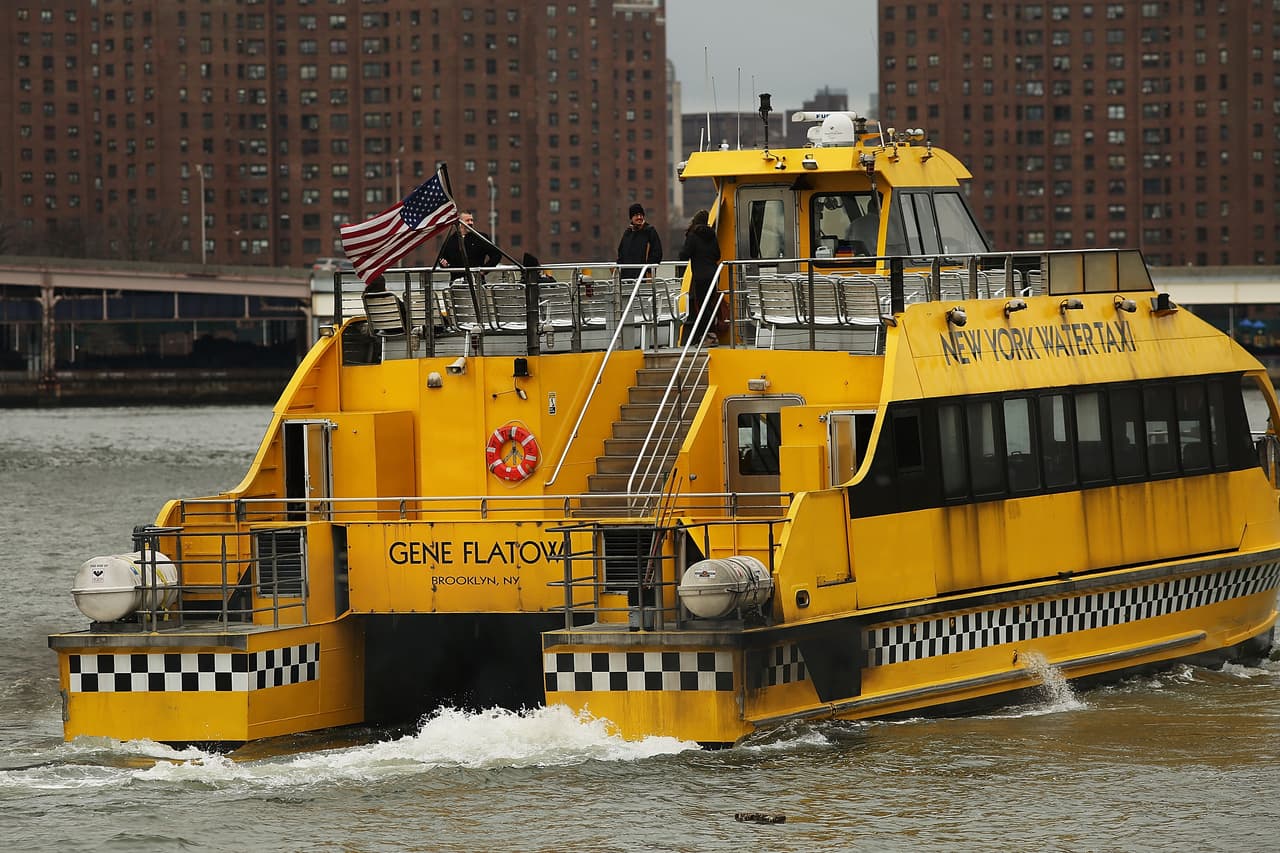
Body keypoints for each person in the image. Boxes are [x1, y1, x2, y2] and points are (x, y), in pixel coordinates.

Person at [677, 209, 721, 346]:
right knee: (709, 306)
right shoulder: (712, 235)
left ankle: (708, 336)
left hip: (700, 276)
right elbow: (717, 255)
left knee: (701, 307)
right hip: (713, 275)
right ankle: (710, 335)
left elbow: (684, 255)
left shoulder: (693, 235)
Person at [437, 211, 500, 280]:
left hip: (477, 284)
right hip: (456, 284)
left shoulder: (480, 237)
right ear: (459, 222)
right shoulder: (450, 240)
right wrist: (444, 264)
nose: (470, 223)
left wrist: (484, 270)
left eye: (471, 220)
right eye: (467, 220)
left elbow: (496, 255)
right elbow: (442, 258)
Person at [616, 203, 663, 282]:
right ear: (631, 218)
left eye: (641, 215)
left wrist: (648, 269)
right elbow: (621, 253)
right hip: (627, 279)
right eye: (636, 215)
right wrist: (620, 270)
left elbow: (657, 253)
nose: (639, 217)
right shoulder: (627, 233)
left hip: (644, 278)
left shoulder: (650, 231)